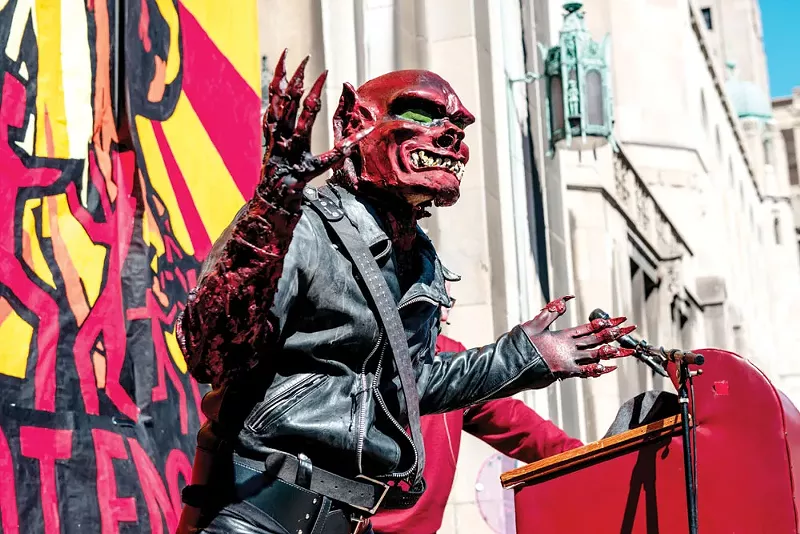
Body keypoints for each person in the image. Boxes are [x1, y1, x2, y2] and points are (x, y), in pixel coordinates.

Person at [175, 51, 636, 534]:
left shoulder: (421, 259)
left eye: (457, 123)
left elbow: (408, 387)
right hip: (256, 515)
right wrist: (265, 224)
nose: (450, 133)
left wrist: (524, 356)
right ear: (355, 121)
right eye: (421, 114)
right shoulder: (303, 227)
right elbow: (211, 354)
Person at [370, 290, 584, 534]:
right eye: (436, 295)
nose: (445, 312)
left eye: (448, 300)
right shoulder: (366, 354)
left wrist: (585, 458)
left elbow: (516, 422)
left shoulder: (450, 356)